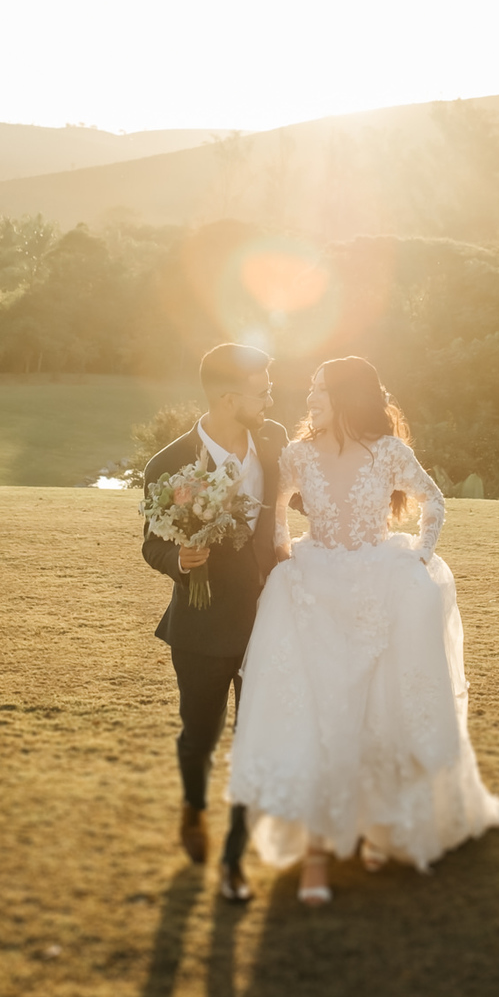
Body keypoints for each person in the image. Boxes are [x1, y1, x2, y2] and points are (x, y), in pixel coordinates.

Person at [228, 355, 499, 905]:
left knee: (380, 713)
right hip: (313, 590)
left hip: (379, 587)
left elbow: (434, 501)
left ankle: (380, 827)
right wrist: (284, 553)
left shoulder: (388, 452)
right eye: (311, 387)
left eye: (319, 388)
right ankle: (316, 855)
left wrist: (419, 558)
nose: (310, 396)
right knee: (319, 716)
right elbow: (277, 507)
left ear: (345, 395)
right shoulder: (298, 454)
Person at [142, 342, 290, 902]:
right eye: (262, 391)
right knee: (200, 735)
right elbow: (152, 543)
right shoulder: (168, 463)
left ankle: (233, 859)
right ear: (230, 398)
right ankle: (193, 806)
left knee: (255, 742)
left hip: (269, 621)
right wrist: (180, 560)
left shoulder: (275, 441)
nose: (270, 399)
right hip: (201, 626)